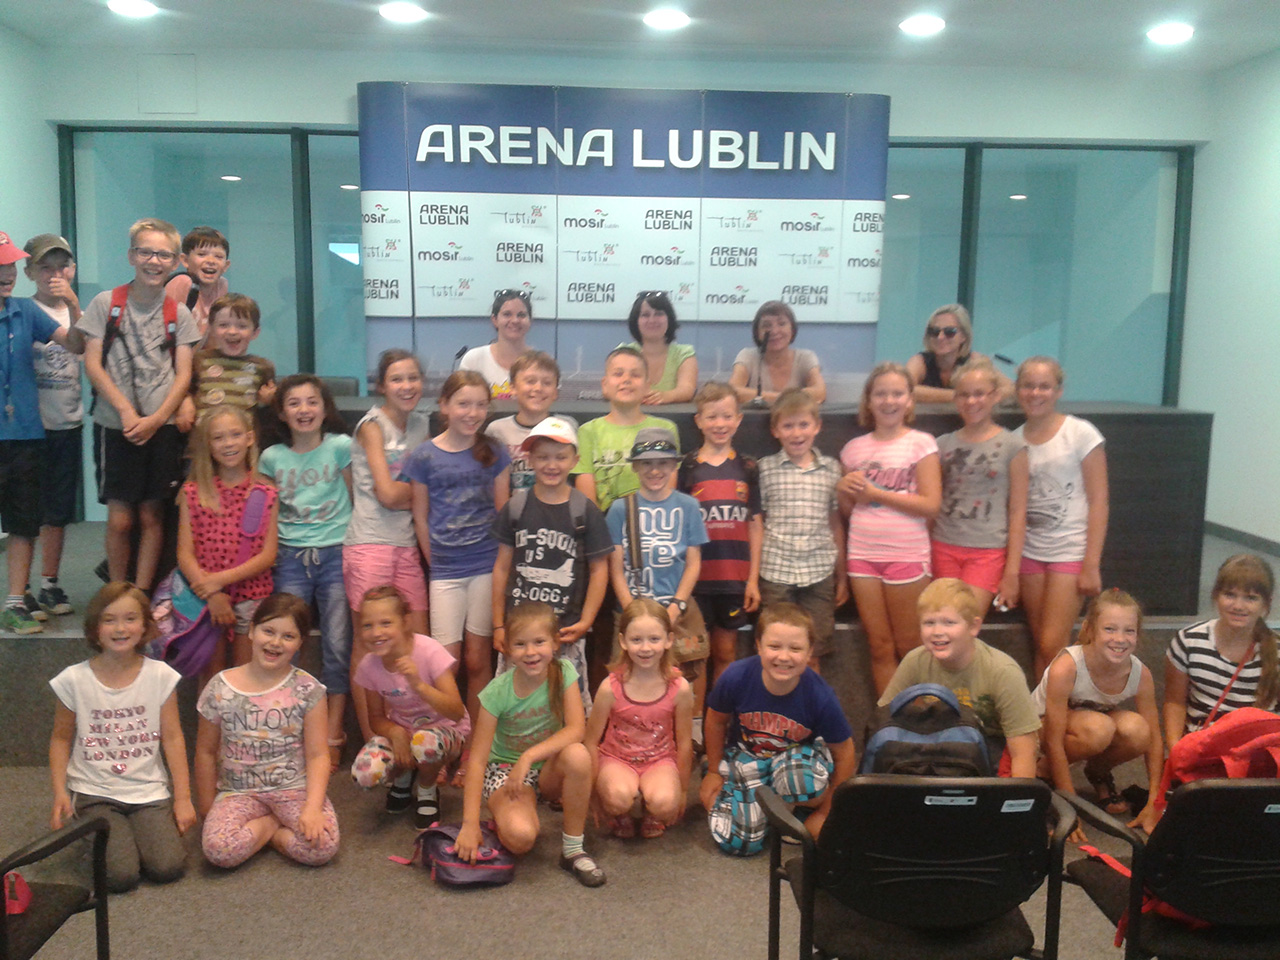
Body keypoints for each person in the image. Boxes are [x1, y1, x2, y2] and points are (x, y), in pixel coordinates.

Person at [48, 582, 195, 891]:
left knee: (167, 866)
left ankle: (125, 834)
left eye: (130, 619)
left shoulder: (160, 675)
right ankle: (93, 836)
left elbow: (172, 738)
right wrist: (60, 791)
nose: (120, 628)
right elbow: (60, 739)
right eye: (109, 620)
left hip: (147, 791)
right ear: (95, 628)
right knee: (120, 876)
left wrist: (182, 798)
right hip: (94, 792)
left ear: (144, 626)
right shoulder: (74, 679)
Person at [80, 218, 200, 593]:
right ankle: (117, 592)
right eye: (146, 252)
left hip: (161, 429)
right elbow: (92, 364)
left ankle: (142, 594)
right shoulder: (106, 304)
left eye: (163, 254)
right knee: (120, 519)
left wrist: (158, 418)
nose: (154, 261)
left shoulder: (178, 313)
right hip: (114, 426)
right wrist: (127, 412)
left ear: (176, 261)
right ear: (132, 256)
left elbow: (183, 374)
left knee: (151, 514)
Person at [402, 369, 511, 780]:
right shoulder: (424, 456)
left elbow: (503, 513)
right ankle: (448, 741)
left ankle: (473, 751)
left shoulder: (495, 452)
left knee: (479, 659)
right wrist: (436, 563)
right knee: (445, 664)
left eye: (481, 405)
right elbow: (420, 516)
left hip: (485, 566)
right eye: (463, 403)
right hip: (445, 571)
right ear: (445, 406)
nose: (472, 412)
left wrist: (502, 566)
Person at [455, 601, 605, 887]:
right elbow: (477, 760)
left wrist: (529, 757)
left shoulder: (563, 672)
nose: (531, 652)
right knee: (521, 838)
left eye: (539, 642)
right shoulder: (496, 693)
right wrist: (470, 824)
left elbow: (576, 729)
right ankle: (510, 813)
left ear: (555, 643)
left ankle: (573, 850)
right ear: (507, 649)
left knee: (578, 754)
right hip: (505, 771)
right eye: (520, 644)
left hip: (544, 767)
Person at [195, 592, 339, 868]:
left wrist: (312, 808)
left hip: (293, 789)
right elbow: (205, 751)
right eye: (268, 631)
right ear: (251, 630)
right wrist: (206, 806)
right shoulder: (220, 687)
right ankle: (271, 825)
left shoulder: (308, 689)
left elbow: (318, 755)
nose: (275, 642)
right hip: (238, 792)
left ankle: (267, 833)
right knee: (218, 850)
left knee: (323, 846)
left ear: (300, 643)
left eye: (288, 636)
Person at [700, 603, 856, 855]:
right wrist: (714, 771)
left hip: (794, 761)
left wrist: (826, 812)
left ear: (809, 652)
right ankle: (755, 800)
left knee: (802, 781)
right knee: (739, 843)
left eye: (795, 648)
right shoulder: (736, 676)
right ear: (758, 646)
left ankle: (789, 806)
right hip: (748, 758)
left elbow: (845, 752)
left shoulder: (820, 695)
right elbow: (716, 721)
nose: (784, 657)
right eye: (774, 646)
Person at [258, 375, 354, 771]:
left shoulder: (341, 447)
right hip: (290, 556)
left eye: (312, 401)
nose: (304, 410)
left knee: (337, 644)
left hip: (335, 553)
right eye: (294, 403)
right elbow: (265, 512)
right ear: (282, 413)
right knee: (283, 641)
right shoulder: (271, 457)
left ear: (325, 407)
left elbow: (356, 498)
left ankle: (333, 732)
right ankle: (287, 727)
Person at [491, 416, 611, 707]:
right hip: (519, 633)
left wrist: (586, 621)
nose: (551, 464)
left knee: (569, 703)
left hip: (565, 631)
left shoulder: (585, 511)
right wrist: (498, 625)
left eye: (560, 457)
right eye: (543, 457)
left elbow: (599, 570)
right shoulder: (516, 507)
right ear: (530, 460)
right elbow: (501, 567)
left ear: (575, 461)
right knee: (514, 703)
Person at [344, 349, 431, 739]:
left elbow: (406, 493)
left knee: (418, 641)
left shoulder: (422, 425)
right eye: (397, 379)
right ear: (381, 385)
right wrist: (423, 493)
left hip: (406, 544)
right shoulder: (372, 426)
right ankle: (372, 739)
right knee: (368, 645)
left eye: (413, 378)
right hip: (369, 544)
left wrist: (413, 494)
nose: (406, 386)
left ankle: (423, 737)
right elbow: (386, 493)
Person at [839, 361, 941, 695]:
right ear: (868, 401)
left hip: (906, 554)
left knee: (911, 647)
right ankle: (891, 720)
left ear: (909, 400)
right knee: (879, 646)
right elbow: (850, 511)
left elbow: (931, 504)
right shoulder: (853, 449)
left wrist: (877, 494)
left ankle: (922, 716)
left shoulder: (921, 443)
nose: (889, 401)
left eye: (897, 393)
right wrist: (843, 492)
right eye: (880, 394)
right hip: (862, 555)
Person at [1, 231, 82, 635]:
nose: (7, 273)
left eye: (11, 265)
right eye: (0, 266)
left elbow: (77, 344)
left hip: (25, 434)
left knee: (24, 522)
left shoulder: (25, 311)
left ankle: (18, 600)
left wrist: (74, 304)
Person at [880, 578, 1041, 778]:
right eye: (929, 623)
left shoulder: (1003, 671)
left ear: (973, 627)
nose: (937, 632)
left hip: (993, 751)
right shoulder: (915, 660)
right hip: (942, 746)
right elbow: (884, 720)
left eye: (949, 623)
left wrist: (1017, 796)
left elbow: (1023, 751)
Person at [1033, 588, 1162, 836]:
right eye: (1109, 629)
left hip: (1090, 724)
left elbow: (1155, 740)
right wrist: (1070, 810)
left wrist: (1155, 802)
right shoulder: (1067, 667)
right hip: (1041, 732)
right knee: (1099, 729)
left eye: (1129, 631)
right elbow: (1053, 739)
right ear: (1090, 630)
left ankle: (1098, 772)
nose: (1120, 639)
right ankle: (1042, 771)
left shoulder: (1140, 673)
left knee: (1139, 731)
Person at [1015, 356, 1109, 678]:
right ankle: (1042, 707)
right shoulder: (1014, 440)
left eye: (1044, 386)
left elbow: (1099, 501)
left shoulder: (1080, 433)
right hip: (1030, 553)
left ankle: (1056, 706)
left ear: (1058, 390)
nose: (1035, 393)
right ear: (1018, 390)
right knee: (1041, 645)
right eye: (1028, 386)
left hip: (1070, 551)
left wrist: (1091, 564)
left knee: (1052, 643)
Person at [606, 427, 710, 706]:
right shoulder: (620, 509)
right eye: (647, 463)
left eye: (663, 463)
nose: (655, 470)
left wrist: (676, 607)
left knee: (684, 677)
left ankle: (689, 726)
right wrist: (632, 613)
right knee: (627, 678)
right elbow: (616, 568)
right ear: (635, 467)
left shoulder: (688, 506)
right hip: (631, 609)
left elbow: (693, 563)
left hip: (676, 610)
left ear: (674, 465)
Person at [176, 405, 279, 685]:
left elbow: (268, 555)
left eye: (235, 435)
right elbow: (184, 553)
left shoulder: (266, 492)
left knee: (247, 675)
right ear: (208, 445)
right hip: (205, 598)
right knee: (211, 678)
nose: (228, 443)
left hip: (252, 596)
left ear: (249, 438)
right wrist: (212, 594)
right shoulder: (192, 492)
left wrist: (218, 582)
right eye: (218, 437)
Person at [350, 585, 468, 828]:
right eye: (367, 625)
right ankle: (404, 778)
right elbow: (375, 717)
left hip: (445, 730)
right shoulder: (368, 665)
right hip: (405, 730)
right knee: (364, 773)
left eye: (386, 623)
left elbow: (456, 711)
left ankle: (427, 789)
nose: (376, 632)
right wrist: (395, 733)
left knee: (425, 744)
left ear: (405, 622)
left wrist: (419, 684)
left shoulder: (429, 651)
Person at [583, 598, 693, 839]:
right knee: (618, 797)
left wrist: (683, 790)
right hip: (617, 758)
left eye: (654, 639)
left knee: (664, 802)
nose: (645, 648)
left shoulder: (679, 688)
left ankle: (652, 811)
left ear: (668, 640)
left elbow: (685, 743)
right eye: (636, 640)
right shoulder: (610, 687)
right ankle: (620, 812)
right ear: (623, 641)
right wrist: (593, 792)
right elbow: (591, 741)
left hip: (659, 760)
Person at [678, 382, 762, 691]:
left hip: (734, 579)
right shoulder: (687, 467)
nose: (720, 424)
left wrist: (752, 580)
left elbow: (755, 525)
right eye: (712, 417)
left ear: (738, 419)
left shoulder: (748, 467)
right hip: (697, 580)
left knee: (726, 652)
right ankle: (695, 717)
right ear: (698, 420)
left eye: (727, 416)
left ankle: (719, 714)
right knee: (695, 655)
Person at [757, 388, 847, 670]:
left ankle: (807, 698)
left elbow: (835, 523)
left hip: (818, 570)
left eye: (804, 424)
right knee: (774, 646)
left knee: (813, 650)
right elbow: (758, 523)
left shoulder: (831, 469)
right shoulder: (764, 469)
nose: (796, 433)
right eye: (788, 426)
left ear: (817, 426)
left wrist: (842, 575)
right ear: (775, 430)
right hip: (776, 570)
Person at [932, 358, 1028, 617]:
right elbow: (933, 502)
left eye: (979, 393)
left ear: (995, 396)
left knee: (964, 623)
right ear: (955, 399)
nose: (971, 401)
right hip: (943, 546)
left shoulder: (1013, 445)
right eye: (964, 394)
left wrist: (1012, 573)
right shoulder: (942, 445)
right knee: (943, 621)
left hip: (987, 551)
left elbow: (1018, 511)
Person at [23, 233, 85, 620]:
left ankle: (49, 583)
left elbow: (82, 345)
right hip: (28, 427)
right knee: (26, 509)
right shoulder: (22, 310)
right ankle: (23, 588)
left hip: (67, 422)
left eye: (62, 267)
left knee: (58, 511)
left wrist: (74, 304)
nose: (54, 274)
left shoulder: (80, 312)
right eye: (45, 267)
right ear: (29, 271)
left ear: (73, 270)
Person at [1165, 554, 1280, 748]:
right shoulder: (1189, 641)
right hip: (1204, 749)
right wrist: (1176, 749)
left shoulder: (1276, 651)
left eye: (1251, 598)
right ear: (1216, 595)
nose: (1238, 606)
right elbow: (1175, 702)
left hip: (1260, 751)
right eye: (1230, 595)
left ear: (1266, 603)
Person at [575, 346, 680, 513]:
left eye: (635, 375)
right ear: (605, 385)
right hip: (604, 523)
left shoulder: (665, 429)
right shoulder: (587, 431)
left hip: (653, 521)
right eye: (618, 374)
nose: (626, 380)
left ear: (647, 386)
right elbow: (586, 499)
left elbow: (667, 489)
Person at [176, 293, 276, 444]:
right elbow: (184, 388)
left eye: (242, 326)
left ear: (255, 332)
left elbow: (269, 415)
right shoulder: (200, 360)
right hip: (202, 445)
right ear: (211, 328)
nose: (232, 331)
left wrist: (268, 402)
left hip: (243, 447)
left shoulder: (263, 368)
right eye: (223, 325)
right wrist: (185, 401)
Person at [486, 349, 575, 494]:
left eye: (547, 383)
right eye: (530, 381)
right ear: (513, 388)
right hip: (513, 507)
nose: (538, 388)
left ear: (555, 392)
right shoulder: (497, 431)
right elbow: (492, 483)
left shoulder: (567, 426)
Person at [905, 303, 1012, 404]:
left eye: (949, 332)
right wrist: (960, 395)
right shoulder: (919, 361)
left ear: (964, 336)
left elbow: (1010, 388)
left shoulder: (975, 361)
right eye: (935, 331)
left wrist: (983, 396)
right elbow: (905, 389)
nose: (940, 337)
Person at [729, 301, 826, 406]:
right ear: (757, 333)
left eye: (781, 324)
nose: (774, 331)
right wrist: (787, 399)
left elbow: (820, 392)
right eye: (767, 325)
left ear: (792, 329)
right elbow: (732, 392)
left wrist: (764, 398)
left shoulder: (805, 357)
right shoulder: (748, 356)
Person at [618, 290, 697, 405]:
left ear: (669, 319)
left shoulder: (684, 353)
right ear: (636, 321)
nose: (652, 320)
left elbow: (687, 390)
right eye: (645, 315)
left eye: (659, 314)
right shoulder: (623, 353)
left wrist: (665, 396)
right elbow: (608, 390)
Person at [458, 289, 533, 399]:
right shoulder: (473, 360)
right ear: (495, 320)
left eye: (521, 315)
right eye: (507, 314)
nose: (515, 320)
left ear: (530, 321)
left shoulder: (542, 363)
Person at [165, 225, 231, 335]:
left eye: (218, 257)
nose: (211, 261)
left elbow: (214, 333)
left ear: (226, 265)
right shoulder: (183, 283)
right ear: (185, 260)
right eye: (202, 254)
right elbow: (166, 332)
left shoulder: (221, 285)